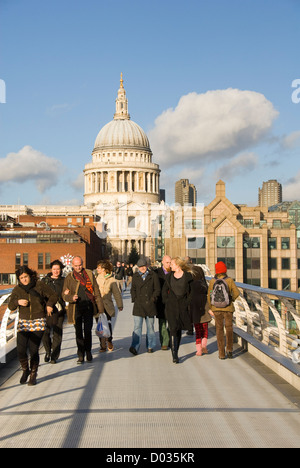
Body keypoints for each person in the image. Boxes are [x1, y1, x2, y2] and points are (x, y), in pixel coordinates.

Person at [8, 266, 58, 386]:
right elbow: (10, 306)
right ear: (19, 279)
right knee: (20, 349)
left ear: (30, 276)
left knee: (33, 349)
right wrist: (17, 302)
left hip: (38, 320)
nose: (24, 280)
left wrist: (50, 305)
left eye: (26, 277)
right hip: (23, 322)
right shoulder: (17, 290)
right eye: (21, 278)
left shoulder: (39, 285)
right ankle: (25, 370)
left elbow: (53, 295)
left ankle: (33, 374)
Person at [63, 256, 104, 364]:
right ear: (72, 265)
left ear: (83, 263)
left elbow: (96, 290)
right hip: (76, 307)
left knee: (87, 330)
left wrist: (100, 308)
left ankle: (88, 351)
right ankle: (80, 354)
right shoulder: (69, 277)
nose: (78, 267)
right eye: (76, 266)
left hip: (89, 306)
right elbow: (64, 295)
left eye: (80, 265)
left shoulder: (89, 274)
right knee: (78, 332)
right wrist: (70, 297)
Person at [162, 257, 193, 363]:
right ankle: (174, 354)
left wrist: (187, 302)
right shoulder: (169, 276)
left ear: (178, 265)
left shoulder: (188, 277)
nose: (170, 265)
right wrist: (166, 301)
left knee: (178, 329)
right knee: (173, 328)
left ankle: (176, 349)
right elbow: (164, 290)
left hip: (182, 306)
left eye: (172, 264)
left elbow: (191, 292)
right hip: (171, 306)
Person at [207, 261, 240, 359]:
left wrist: (211, 307)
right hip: (228, 308)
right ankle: (229, 349)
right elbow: (237, 293)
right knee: (229, 328)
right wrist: (231, 300)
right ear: (225, 270)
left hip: (216, 309)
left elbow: (209, 295)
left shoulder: (213, 281)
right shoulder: (229, 280)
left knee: (219, 330)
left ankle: (221, 354)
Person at [129, 258, 160, 355]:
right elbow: (133, 289)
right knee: (137, 327)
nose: (142, 268)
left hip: (150, 305)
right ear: (138, 267)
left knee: (150, 327)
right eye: (140, 267)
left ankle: (150, 345)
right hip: (138, 305)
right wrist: (134, 298)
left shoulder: (153, 275)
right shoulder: (135, 276)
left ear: (147, 266)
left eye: (144, 266)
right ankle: (135, 346)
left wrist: (153, 299)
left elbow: (157, 289)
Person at [42, 260, 66, 364]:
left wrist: (67, 293)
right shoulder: (45, 281)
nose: (56, 271)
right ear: (51, 269)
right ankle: (48, 351)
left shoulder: (64, 281)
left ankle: (54, 356)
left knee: (57, 333)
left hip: (59, 311)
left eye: (58, 269)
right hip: (46, 310)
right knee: (45, 332)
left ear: (61, 270)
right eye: (54, 269)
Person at [96, 259, 123, 352]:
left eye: (98, 268)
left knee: (107, 323)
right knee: (99, 324)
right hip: (98, 305)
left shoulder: (111, 279)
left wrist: (120, 305)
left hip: (107, 305)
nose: (97, 269)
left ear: (103, 269)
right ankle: (102, 345)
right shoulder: (96, 278)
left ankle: (109, 340)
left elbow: (116, 293)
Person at [190, 265, 212, 356]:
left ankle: (199, 350)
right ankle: (204, 345)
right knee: (205, 330)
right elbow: (208, 298)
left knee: (198, 331)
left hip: (195, 312)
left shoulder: (190, 285)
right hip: (204, 310)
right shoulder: (204, 285)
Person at [155, 255, 171, 350]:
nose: (168, 264)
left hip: (171, 301)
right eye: (167, 262)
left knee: (171, 322)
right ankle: (164, 342)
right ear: (162, 262)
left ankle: (169, 339)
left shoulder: (173, 272)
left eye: (170, 262)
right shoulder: (156, 273)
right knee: (162, 322)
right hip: (161, 301)